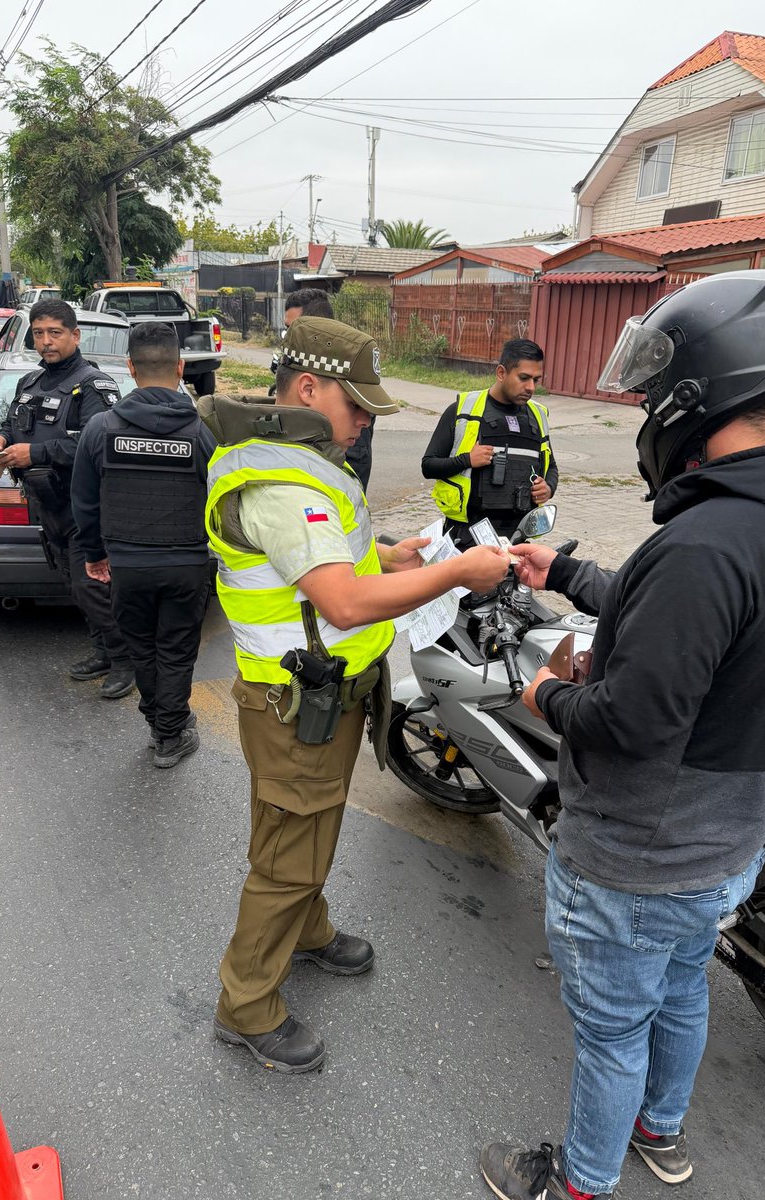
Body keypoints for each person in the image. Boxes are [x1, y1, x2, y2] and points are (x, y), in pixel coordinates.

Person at [480, 270, 765, 1200]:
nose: (645, 416)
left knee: (610, 1033)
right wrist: (567, 568)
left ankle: (579, 1181)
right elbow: (694, 622)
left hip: (641, 852)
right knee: (682, 991)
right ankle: (662, 1130)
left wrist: (545, 698)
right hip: (729, 842)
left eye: (648, 398)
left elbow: (632, 721)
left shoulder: (707, 541)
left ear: (695, 396)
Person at [201, 316, 510, 1073]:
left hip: (323, 699)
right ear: (307, 387)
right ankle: (247, 1006)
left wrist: (391, 554)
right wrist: (453, 574)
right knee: (287, 853)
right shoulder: (281, 481)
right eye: (359, 405)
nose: (367, 420)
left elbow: (322, 562)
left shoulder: (301, 462)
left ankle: (306, 932)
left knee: (307, 828)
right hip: (293, 705)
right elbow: (339, 602)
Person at [71, 322, 217, 768]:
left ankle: (161, 723)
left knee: (142, 650)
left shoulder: (101, 428)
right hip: (187, 564)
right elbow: (224, 501)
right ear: (180, 367)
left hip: (127, 565)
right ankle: (170, 733)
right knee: (175, 651)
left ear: (130, 368)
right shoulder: (205, 431)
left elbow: (85, 502)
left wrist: (95, 555)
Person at [0, 300, 134, 698]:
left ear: (74, 335)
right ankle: (103, 650)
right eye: (39, 333)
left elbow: (101, 444)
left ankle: (125, 660)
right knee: (71, 583)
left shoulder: (94, 386)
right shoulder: (29, 384)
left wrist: (38, 453)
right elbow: (13, 427)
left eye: (55, 333)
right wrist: (1, 439)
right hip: (47, 506)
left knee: (90, 586)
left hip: (85, 509)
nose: (46, 342)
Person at [422, 338, 556, 547]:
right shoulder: (463, 411)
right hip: (467, 538)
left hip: (517, 538)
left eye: (536, 380)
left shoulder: (538, 416)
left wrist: (548, 487)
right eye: (523, 378)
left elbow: (551, 467)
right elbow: (428, 465)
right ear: (501, 373)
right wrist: (467, 460)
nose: (530, 387)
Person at [269, 288, 376, 492]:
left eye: (293, 329)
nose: (287, 338)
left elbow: (347, 480)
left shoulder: (344, 365)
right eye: (286, 329)